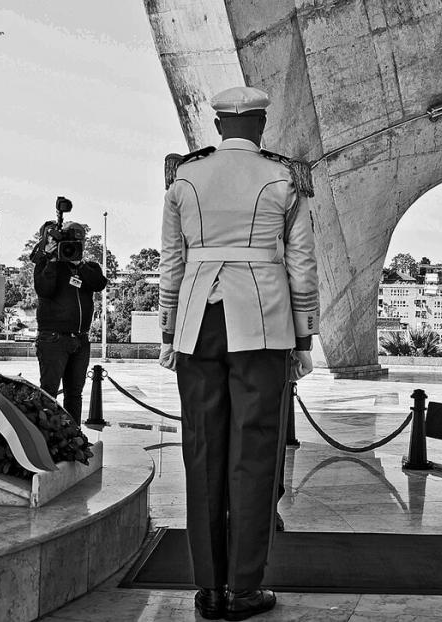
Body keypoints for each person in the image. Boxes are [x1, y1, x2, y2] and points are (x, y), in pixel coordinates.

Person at [158, 85, 319, 621]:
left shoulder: (186, 175)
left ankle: (208, 589)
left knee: (201, 452)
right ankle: (244, 589)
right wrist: (303, 336)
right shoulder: (284, 177)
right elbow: (301, 266)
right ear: (261, 124)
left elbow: (171, 264)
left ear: (220, 122)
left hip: (195, 326)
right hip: (264, 327)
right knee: (253, 457)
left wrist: (166, 332)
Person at [32, 220, 107, 424]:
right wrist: (53, 261)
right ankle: (47, 437)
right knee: (49, 393)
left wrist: (79, 265)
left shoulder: (87, 267)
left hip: (80, 340)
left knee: (75, 394)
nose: (71, 248)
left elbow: (99, 283)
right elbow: (44, 289)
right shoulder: (46, 264)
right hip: (53, 338)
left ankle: (73, 437)